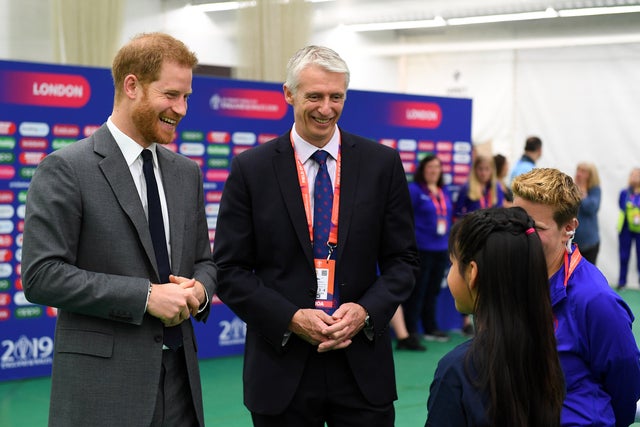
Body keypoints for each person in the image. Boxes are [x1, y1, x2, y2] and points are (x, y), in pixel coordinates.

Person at [212, 45, 419, 426]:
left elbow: (402, 261)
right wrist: (290, 318)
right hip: (282, 365)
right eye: (315, 96)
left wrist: (365, 312)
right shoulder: (251, 170)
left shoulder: (381, 165)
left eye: (336, 97)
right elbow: (230, 269)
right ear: (289, 94)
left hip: (361, 366)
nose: (326, 108)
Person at [21, 33, 217, 427]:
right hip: (103, 392)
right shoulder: (66, 168)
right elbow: (41, 276)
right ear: (132, 86)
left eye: (187, 97)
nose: (181, 109)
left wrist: (200, 290)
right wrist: (145, 297)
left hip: (181, 386)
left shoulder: (185, 172)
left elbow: (204, 262)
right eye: (171, 95)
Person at [512, 168, 640, 426]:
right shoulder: (513, 278)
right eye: (515, 222)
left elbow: (625, 383)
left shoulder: (596, 300)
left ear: (568, 228)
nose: (519, 234)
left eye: (535, 227)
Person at [425, 207, 565, 427]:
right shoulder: (545, 353)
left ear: (472, 273)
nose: (451, 271)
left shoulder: (457, 370)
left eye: (452, 263)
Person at [453, 154, 504, 336]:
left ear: (492, 171)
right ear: (475, 170)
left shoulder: (497, 189)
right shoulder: (467, 188)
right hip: (470, 242)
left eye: (487, 169)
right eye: (480, 169)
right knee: (468, 280)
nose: (484, 173)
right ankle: (466, 320)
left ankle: (486, 321)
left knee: (488, 281)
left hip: (490, 242)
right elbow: (457, 216)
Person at [404, 154, 452, 343]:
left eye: (437, 167)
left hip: (441, 248)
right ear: (423, 170)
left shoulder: (442, 191)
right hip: (421, 248)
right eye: (430, 167)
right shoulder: (415, 190)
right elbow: (405, 216)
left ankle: (430, 327)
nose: (433, 170)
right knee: (418, 290)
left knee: (433, 290)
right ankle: (411, 329)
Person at [573, 162, 601, 265]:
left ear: (591, 175)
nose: (579, 174)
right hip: (572, 241)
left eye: (583, 171)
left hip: (589, 243)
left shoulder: (595, 190)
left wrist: (582, 193)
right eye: (578, 170)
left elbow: (592, 208)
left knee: (587, 275)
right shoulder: (571, 188)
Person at [617, 167, 640, 289]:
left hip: (639, 230)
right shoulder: (625, 193)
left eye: (637, 175)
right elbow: (622, 205)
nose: (634, 177)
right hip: (625, 228)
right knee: (624, 255)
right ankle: (622, 282)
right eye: (632, 175)